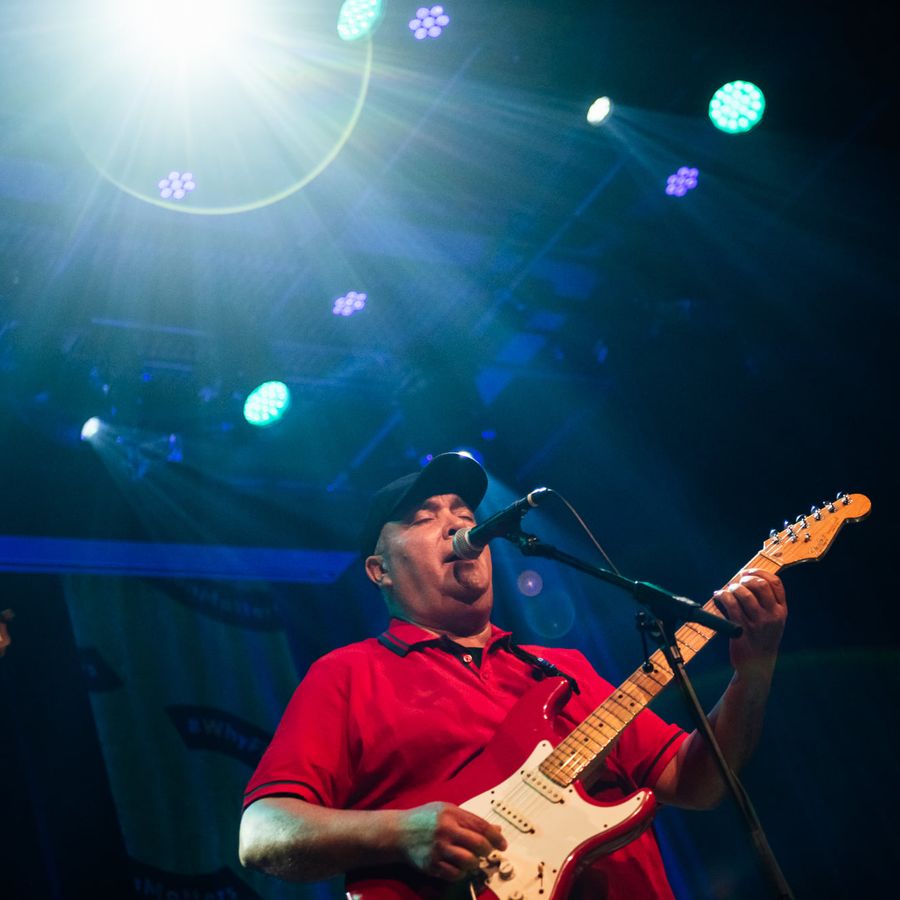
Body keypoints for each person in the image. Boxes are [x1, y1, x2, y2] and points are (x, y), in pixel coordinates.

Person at [239, 452, 787, 898]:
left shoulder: (564, 668)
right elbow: (262, 833)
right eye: (424, 518)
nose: (457, 523)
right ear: (379, 570)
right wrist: (401, 831)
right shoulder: (349, 673)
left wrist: (753, 673)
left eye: (464, 513)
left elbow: (698, 782)